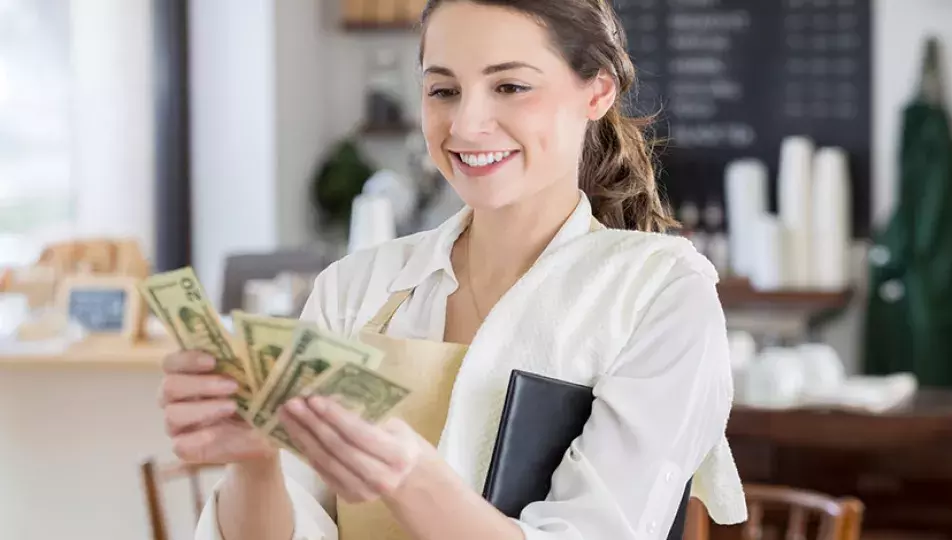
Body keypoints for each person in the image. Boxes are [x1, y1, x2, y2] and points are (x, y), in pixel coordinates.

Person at [160, 1, 748, 539]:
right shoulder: (353, 289)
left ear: (596, 93)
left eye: (511, 86)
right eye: (443, 90)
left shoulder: (660, 294)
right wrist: (256, 461)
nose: (467, 125)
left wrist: (409, 475)